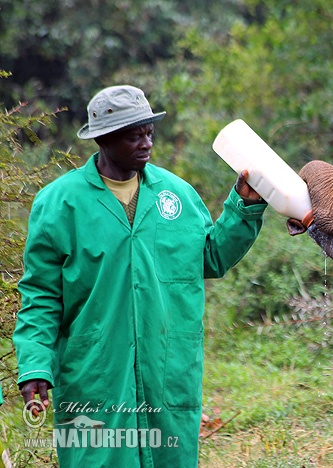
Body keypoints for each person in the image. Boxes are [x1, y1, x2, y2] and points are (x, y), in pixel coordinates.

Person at [12, 85, 267, 466]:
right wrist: (35, 364)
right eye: (134, 135)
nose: (146, 143)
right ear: (102, 139)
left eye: (149, 132)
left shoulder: (177, 195)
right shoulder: (59, 204)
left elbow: (210, 257)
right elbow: (41, 296)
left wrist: (243, 206)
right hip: (94, 375)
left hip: (168, 369)